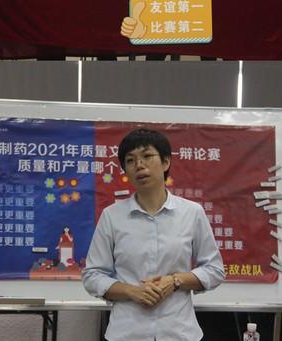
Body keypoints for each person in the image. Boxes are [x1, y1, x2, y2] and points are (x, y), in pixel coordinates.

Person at [82, 128, 225, 341]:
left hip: (179, 333)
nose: (139, 165)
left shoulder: (192, 212)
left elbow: (214, 270)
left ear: (166, 162)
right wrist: (131, 291)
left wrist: (174, 281)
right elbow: (92, 275)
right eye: (130, 160)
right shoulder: (112, 216)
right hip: (127, 333)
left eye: (147, 156)